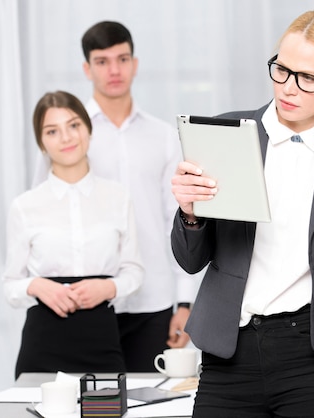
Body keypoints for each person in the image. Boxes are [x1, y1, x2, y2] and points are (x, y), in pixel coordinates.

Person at [170, 9, 314, 417]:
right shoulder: (226, 133)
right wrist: (189, 211)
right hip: (230, 352)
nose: (288, 88)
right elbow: (189, 260)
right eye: (282, 70)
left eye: (308, 78)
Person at [33, 21, 202, 372]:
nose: (114, 70)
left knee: (151, 403)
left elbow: (181, 217)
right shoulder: (67, 135)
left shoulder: (164, 136)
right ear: (87, 68)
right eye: (102, 61)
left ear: (135, 64)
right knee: (89, 404)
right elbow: (42, 211)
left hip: (152, 301)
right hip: (86, 300)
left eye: (122, 59)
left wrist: (185, 301)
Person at [3, 91, 143, 378]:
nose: (66, 137)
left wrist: (108, 288)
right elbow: (10, 286)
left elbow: (134, 272)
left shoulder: (118, 197)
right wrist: (37, 286)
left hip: (101, 344)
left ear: (88, 130)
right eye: (52, 131)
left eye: (74, 125)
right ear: (42, 142)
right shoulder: (24, 206)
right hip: (42, 347)